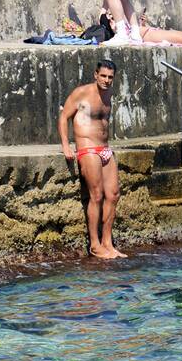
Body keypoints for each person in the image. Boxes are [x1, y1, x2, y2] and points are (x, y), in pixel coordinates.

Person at [58, 60, 126, 259]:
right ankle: (95, 245)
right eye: (103, 76)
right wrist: (65, 145)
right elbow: (64, 117)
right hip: (88, 148)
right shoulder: (82, 93)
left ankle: (107, 243)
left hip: (105, 149)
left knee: (113, 195)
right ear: (96, 74)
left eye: (110, 77)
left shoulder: (109, 94)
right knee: (96, 196)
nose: (106, 80)